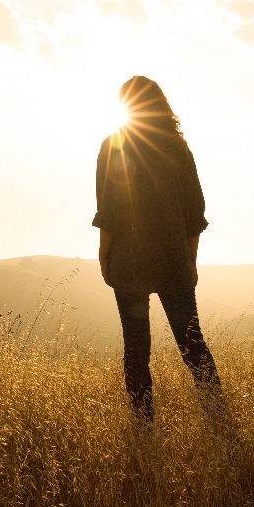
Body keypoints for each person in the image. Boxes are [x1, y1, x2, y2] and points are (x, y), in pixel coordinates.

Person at [93, 75, 226, 424]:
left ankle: (144, 428)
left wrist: (104, 255)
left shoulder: (113, 145)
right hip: (172, 260)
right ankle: (220, 420)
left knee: (136, 350)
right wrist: (191, 259)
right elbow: (194, 212)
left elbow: (109, 209)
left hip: (129, 261)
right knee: (193, 345)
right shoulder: (178, 150)